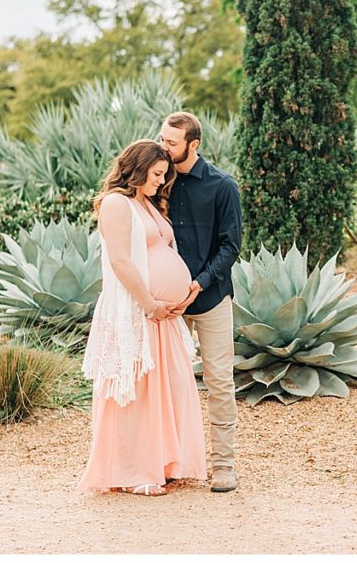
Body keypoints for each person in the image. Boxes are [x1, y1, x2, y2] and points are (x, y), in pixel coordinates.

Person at [78, 140, 207, 496]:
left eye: (163, 175)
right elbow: (120, 261)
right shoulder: (117, 204)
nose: (160, 182)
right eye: (156, 174)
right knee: (136, 394)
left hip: (163, 317)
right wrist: (149, 303)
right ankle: (134, 471)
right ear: (137, 169)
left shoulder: (146, 204)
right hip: (138, 312)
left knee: (170, 390)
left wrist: (183, 293)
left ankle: (164, 462)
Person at [158, 111, 242, 493]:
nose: (163, 146)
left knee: (220, 383)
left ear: (193, 145)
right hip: (167, 307)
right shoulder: (157, 182)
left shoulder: (223, 186)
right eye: (162, 139)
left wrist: (199, 282)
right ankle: (169, 462)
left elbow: (231, 246)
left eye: (171, 142)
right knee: (167, 384)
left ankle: (224, 466)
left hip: (210, 299)